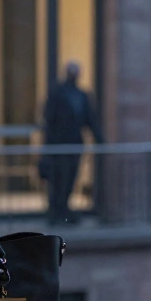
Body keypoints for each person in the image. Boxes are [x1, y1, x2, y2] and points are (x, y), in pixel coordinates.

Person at [42, 61, 103, 226]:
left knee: (70, 178)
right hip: (58, 146)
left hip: (74, 145)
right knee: (57, 179)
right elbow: (49, 121)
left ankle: (63, 210)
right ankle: (56, 211)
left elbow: (90, 120)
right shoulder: (57, 94)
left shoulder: (82, 96)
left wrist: (100, 139)